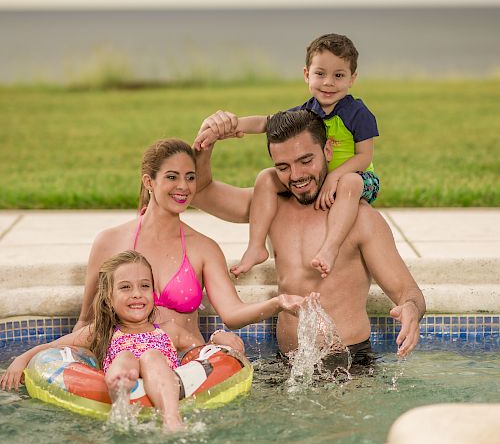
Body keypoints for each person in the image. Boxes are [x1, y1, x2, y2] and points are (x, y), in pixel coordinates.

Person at [193, 110, 426, 365]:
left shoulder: (359, 218)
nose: (296, 176)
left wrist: (411, 309)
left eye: (306, 161)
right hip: (288, 365)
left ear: (327, 151)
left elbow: (408, 291)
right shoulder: (270, 207)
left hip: (349, 368)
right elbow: (202, 192)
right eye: (283, 167)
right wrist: (206, 141)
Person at [73, 138, 308, 354]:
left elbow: (232, 313)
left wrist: (278, 303)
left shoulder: (204, 248)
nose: (184, 186)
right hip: (127, 363)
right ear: (149, 182)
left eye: (191, 177)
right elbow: (87, 320)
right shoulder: (110, 242)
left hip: (187, 365)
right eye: (172, 177)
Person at [194, 33, 380, 279]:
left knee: (351, 182)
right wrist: (229, 126)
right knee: (266, 177)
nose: (328, 82)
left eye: (339, 75)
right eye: (320, 73)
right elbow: (265, 122)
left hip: (356, 179)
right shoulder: (306, 112)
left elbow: (364, 156)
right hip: (324, 180)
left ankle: (330, 246)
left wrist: (335, 176)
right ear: (306, 74)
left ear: (352, 78)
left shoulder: (357, 112)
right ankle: (256, 246)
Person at [1, 250, 197, 431]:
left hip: (162, 379)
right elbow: (54, 346)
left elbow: (203, 352)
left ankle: (171, 418)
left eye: (145, 286)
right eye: (125, 287)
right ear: (109, 299)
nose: (137, 293)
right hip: (122, 376)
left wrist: (218, 337)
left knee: (152, 356)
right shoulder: (103, 332)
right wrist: (21, 359)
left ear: (153, 293)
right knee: (125, 356)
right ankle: (121, 398)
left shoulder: (170, 331)